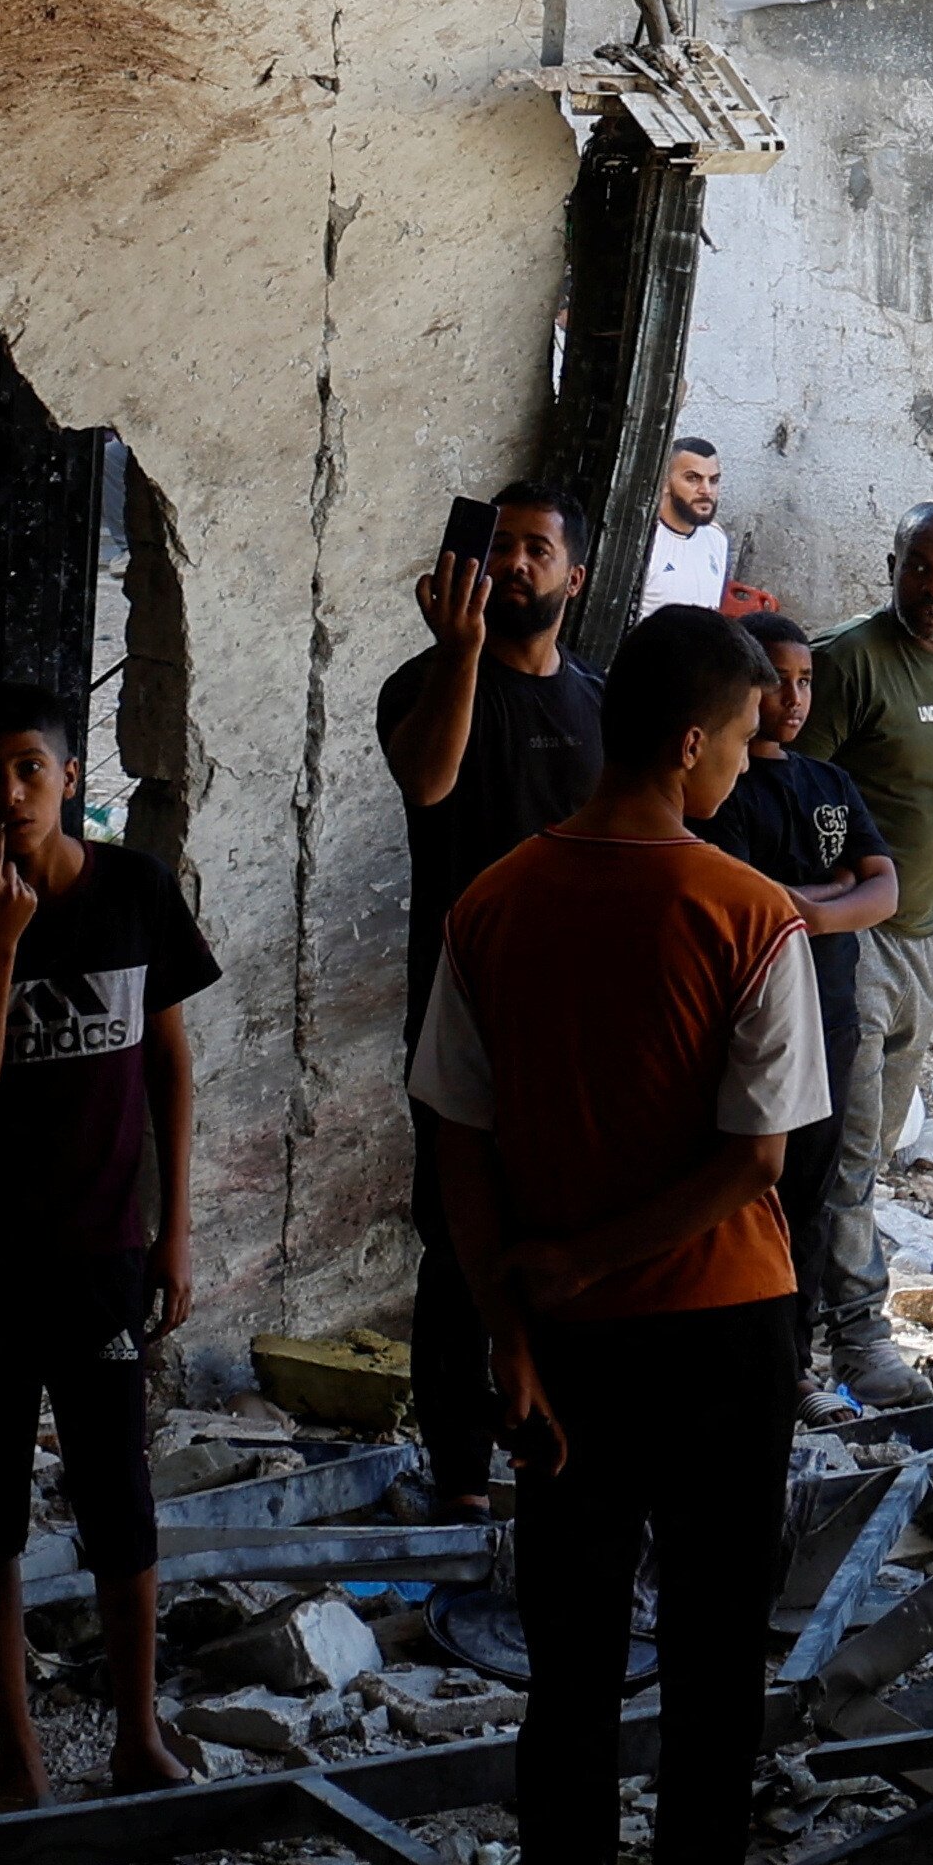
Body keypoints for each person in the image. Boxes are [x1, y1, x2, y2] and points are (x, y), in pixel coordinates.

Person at [409, 605, 830, 1865]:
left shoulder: (492, 904)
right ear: (692, 742)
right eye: (748, 742)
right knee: (714, 1654)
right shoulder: (752, 914)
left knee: (573, 1655)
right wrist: (589, 1261)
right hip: (721, 1330)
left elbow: (457, 1144)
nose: (753, 767)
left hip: (566, 1344)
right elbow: (754, 1163)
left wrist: (515, 1321)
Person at [0, 688, 215, 1814]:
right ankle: (15, 1757)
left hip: (103, 1249)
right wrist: (0, 945)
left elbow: (168, 1063)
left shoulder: (135, 895)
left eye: (30, 768)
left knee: (119, 1492)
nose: (10, 793)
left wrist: (174, 1230)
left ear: (71, 779)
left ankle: (136, 1733)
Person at [374, 480, 604, 1505]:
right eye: (500, 547)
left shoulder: (599, 704)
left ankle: (551, 1444)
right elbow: (428, 783)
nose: (513, 564)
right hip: (462, 1018)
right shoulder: (422, 683)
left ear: (574, 577)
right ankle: (459, 1472)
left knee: (566, 1244)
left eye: (535, 551)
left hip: (580, 1029)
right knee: (460, 1249)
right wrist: (461, 651)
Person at [795, 504, 933, 1404]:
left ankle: (806, 1315)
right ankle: (851, 1345)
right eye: (920, 568)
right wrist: (849, 871)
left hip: (925, 929)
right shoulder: (847, 660)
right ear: (893, 564)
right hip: (859, 932)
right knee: (845, 1151)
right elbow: (802, 785)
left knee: (873, 1146)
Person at [694, 610, 899, 1375]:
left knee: (814, 1188)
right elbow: (744, 900)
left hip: (830, 1015)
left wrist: (812, 906)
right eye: (778, 679)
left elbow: (883, 888)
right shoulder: (725, 786)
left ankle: (794, 1361)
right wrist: (829, 895)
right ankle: (733, 1356)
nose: (794, 695)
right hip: (752, 1016)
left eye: (806, 680)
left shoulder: (831, 782)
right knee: (752, 1182)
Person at [637, 439, 733, 616]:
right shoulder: (642, 542)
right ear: (664, 482)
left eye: (713, 480)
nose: (706, 490)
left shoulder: (717, 539)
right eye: (693, 478)